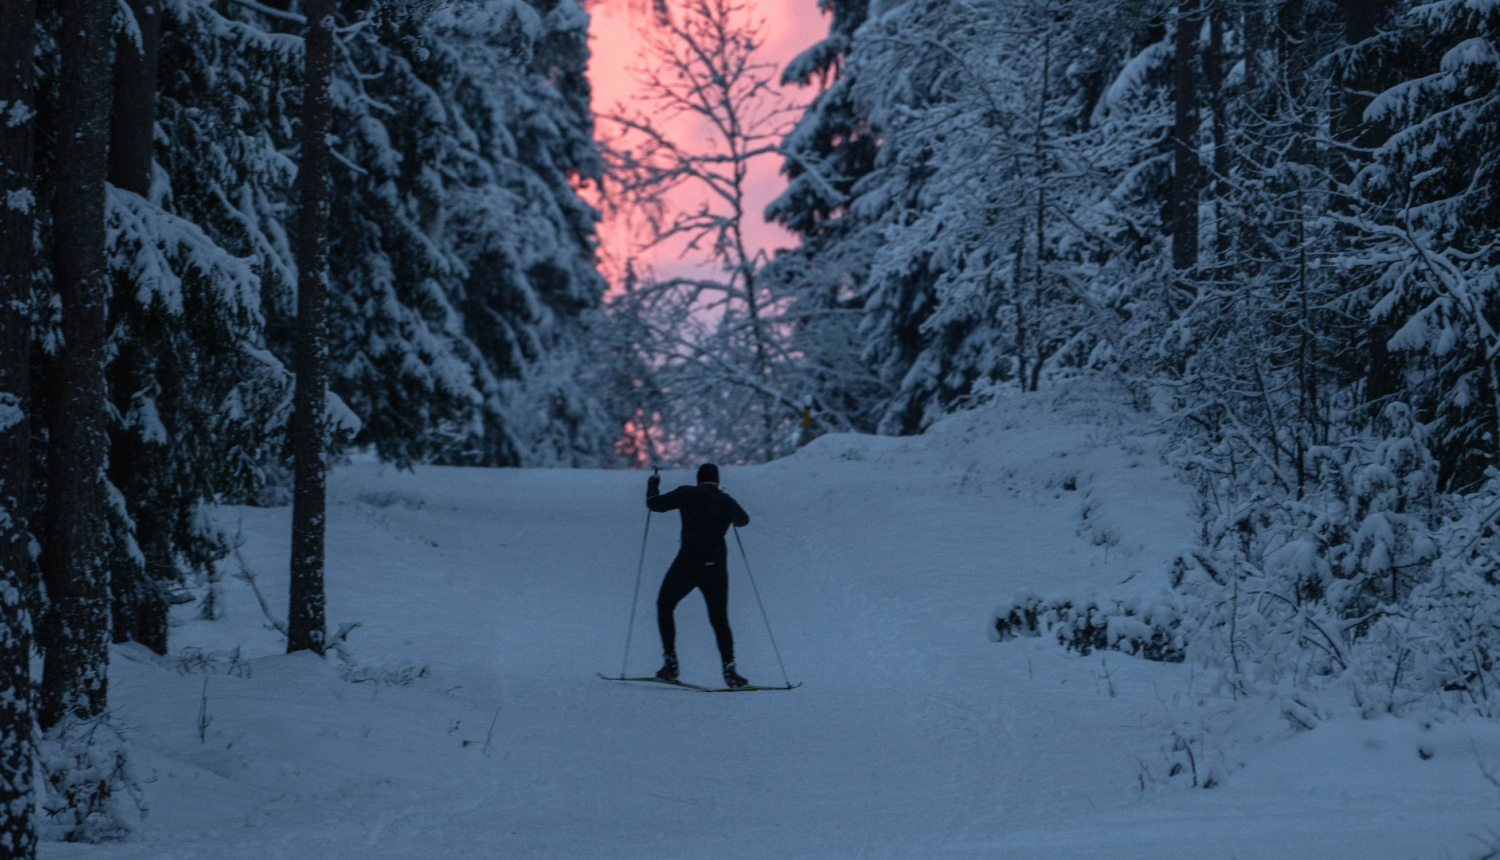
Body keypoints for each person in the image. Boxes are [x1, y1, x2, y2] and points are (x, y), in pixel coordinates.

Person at [647, 463, 750, 688]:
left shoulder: (688, 493)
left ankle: (670, 663)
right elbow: (744, 520)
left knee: (665, 605)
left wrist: (653, 486)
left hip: (689, 562)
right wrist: (726, 512)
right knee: (719, 619)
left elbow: (654, 505)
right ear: (717, 481)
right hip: (716, 567)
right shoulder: (727, 501)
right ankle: (730, 670)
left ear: (698, 479)